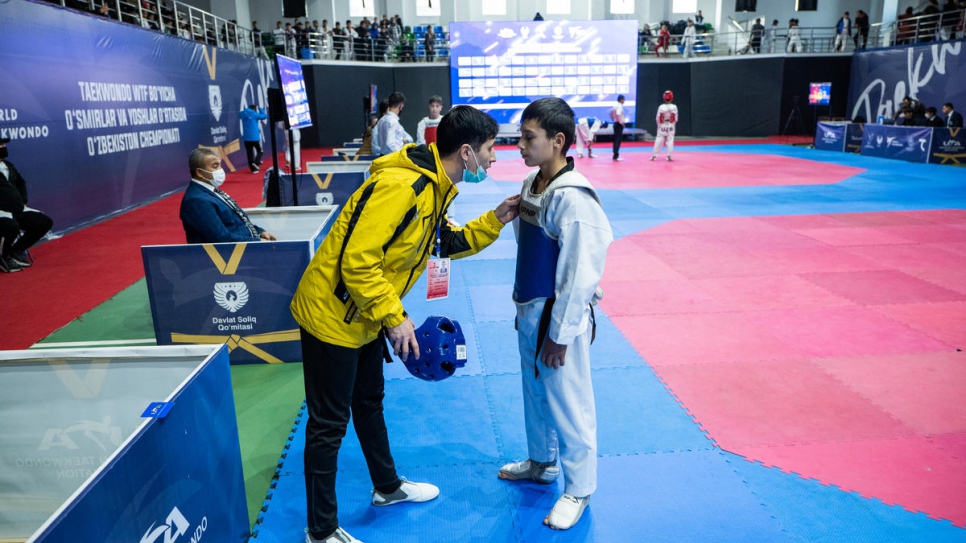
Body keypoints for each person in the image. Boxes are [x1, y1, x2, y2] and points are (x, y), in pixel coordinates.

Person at [290, 105, 521, 543]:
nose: (494, 160)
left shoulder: (436, 186)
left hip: (365, 314)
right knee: (328, 424)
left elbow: (443, 241)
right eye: (491, 151)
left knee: (370, 402)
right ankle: (320, 531)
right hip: (331, 316)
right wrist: (395, 318)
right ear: (467, 152)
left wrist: (497, 218)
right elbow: (357, 260)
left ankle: (387, 487)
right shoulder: (403, 186)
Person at [499, 97, 612, 532]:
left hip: (557, 316)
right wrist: (522, 305)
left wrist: (559, 335)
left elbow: (580, 274)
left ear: (558, 141)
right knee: (534, 392)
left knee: (568, 400)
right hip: (530, 307)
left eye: (529, 138)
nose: (520, 146)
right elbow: (529, 249)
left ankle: (579, 487)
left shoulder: (574, 198)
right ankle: (542, 462)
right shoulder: (533, 183)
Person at [179, 148, 276, 244]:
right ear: (199, 172)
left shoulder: (211, 190)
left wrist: (260, 232)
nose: (220, 170)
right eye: (215, 166)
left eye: (220, 165)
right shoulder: (197, 201)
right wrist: (257, 241)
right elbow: (220, 238)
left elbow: (238, 222)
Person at [0, 138, 53, 273]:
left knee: (44, 222)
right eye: (0, 145)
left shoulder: (8, 165)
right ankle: (3, 257)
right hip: (2, 213)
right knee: (11, 227)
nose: (4, 147)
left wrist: (23, 200)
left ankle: (15, 251)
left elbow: (20, 182)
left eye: (3, 144)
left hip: (16, 209)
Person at [239, 104, 267, 173]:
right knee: (260, 151)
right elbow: (264, 116)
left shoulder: (242, 114)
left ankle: (253, 169)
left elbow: (240, 115)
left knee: (249, 153)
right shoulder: (254, 114)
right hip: (254, 137)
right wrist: (260, 108)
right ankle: (256, 162)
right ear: (254, 109)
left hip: (246, 138)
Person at [651, 90, 678, 162]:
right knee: (670, 140)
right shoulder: (674, 107)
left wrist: (659, 125)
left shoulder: (661, 107)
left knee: (659, 139)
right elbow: (676, 118)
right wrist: (673, 124)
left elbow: (657, 118)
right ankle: (669, 156)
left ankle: (654, 156)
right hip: (671, 125)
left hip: (662, 124)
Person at [609, 95, 626, 162]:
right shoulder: (619, 106)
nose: (624, 101)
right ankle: (616, 156)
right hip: (618, 124)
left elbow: (611, 113)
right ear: (621, 100)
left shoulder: (615, 106)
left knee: (616, 139)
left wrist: (614, 119)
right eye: (623, 100)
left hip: (616, 124)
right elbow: (618, 114)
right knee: (617, 140)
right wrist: (621, 122)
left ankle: (615, 155)